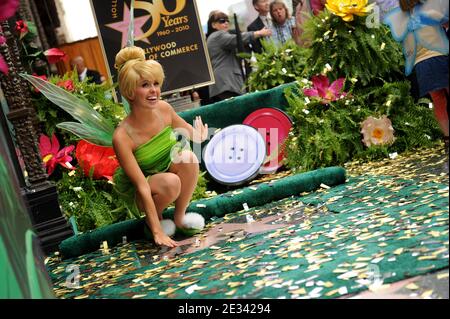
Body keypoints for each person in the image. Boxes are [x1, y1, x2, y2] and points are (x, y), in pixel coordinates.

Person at [112, 46, 209, 248]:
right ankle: (153, 222)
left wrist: (199, 135)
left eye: (156, 83)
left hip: (169, 172)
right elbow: (142, 186)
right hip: (147, 188)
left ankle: (180, 218)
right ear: (130, 92)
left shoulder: (164, 109)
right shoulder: (122, 136)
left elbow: (191, 133)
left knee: (189, 157)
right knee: (171, 182)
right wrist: (157, 231)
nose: (154, 90)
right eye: (145, 85)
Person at [385, 0, 448, 151]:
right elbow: (445, 22)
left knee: (438, 101)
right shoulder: (429, 8)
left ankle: (447, 136)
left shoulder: (400, 17)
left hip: (420, 63)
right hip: (439, 55)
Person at [206, 10, 272, 103]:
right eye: (222, 21)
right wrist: (258, 33)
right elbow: (238, 39)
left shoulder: (212, 37)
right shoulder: (218, 35)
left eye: (227, 20)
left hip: (223, 84)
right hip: (226, 83)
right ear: (213, 25)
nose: (226, 23)